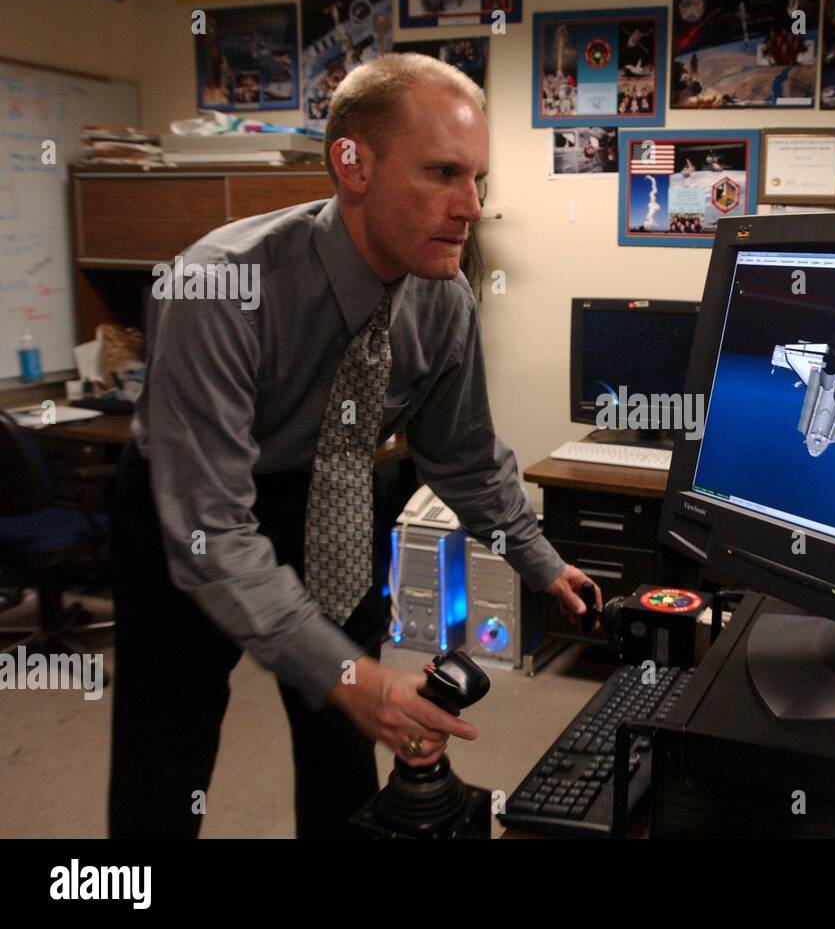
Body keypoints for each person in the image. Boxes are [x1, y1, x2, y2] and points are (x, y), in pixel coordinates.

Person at [109, 53, 602, 838]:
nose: (469, 206)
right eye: (442, 173)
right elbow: (213, 531)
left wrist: (538, 557)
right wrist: (353, 676)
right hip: (193, 510)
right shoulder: (217, 287)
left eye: (479, 180)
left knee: (345, 731)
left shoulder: (442, 300)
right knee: (165, 754)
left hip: (330, 500)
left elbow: (464, 456)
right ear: (353, 164)